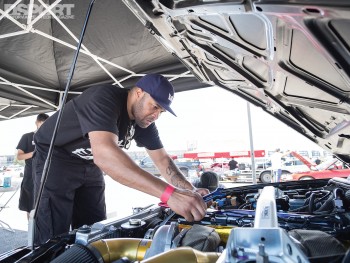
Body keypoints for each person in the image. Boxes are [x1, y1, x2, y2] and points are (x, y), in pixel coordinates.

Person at [32, 74, 209, 245]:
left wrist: (190, 190)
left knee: (93, 230)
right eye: (154, 107)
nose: (156, 115)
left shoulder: (144, 122)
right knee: (53, 235)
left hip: (88, 161)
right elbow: (106, 156)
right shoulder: (104, 98)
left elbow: (162, 160)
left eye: (161, 112)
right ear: (139, 92)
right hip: (55, 155)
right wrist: (170, 195)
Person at [16, 113, 49, 220]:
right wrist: (35, 152)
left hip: (47, 177)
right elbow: (19, 156)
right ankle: (31, 233)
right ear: (36, 123)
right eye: (42, 124)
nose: (44, 127)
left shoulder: (50, 138)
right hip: (30, 177)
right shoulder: (27, 136)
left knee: (46, 207)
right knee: (30, 207)